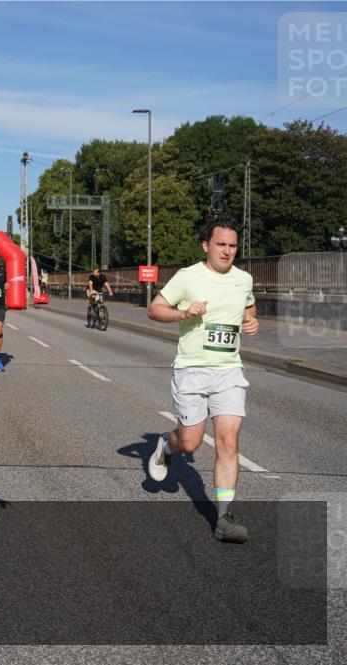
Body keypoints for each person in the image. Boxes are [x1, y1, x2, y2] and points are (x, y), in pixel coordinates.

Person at [146, 214, 258, 544]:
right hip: (192, 370)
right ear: (206, 245)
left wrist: (251, 322)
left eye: (233, 246)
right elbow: (155, 309)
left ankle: (223, 518)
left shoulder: (244, 279)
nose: (227, 251)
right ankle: (166, 446)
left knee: (228, 441)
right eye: (221, 244)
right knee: (191, 441)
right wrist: (184, 313)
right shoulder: (187, 277)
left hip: (228, 370)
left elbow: (249, 310)